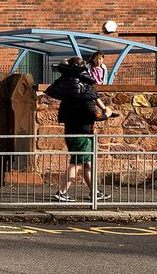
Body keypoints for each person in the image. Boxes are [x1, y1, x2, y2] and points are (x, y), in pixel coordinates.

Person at [43, 57, 109, 202]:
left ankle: (94, 192)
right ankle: (62, 192)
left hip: (73, 131)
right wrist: (106, 114)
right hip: (82, 134)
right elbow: (93, 113)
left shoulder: (68, 93)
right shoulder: (84, 94)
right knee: (77, 163)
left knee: (87, 163)